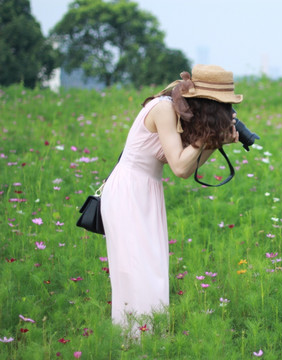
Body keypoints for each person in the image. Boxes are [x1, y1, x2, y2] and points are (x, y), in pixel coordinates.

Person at [101, 64, 243, 333]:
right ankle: (133, 341)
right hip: (129, 190)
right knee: (137, 273)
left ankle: (147, 339)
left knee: (152, 272)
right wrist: (207, 138)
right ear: (207, 101)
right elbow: (179, 166)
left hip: (146, 190)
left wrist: (216, 142)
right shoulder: (165, 109)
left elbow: (188, 170)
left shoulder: (180, 112)